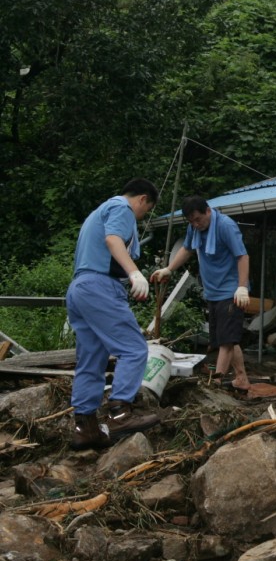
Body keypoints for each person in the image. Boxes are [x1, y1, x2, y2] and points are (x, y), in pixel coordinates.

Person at [66, 178, 162, 450]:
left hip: (79, 288)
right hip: (99, 287)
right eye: (146, 210)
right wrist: (134, 272)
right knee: (133, 349)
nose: (141, 216)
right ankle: (120, 414)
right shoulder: (122, 208)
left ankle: (85, 428)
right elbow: (112, 240)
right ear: (142, 199)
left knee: (91, 359)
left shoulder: (97, 213)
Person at [151, 196, 251, 390]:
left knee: (226, 341)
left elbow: (242, 256)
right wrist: (169, 269)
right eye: (191, 221)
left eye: (198, 219)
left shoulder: (225, 226)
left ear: (207, 211)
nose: (196, 224)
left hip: (231, 290)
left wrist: (242, 286)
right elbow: (187, 249)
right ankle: (241, 379)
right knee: (226, 337)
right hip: (213, 291)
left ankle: (216, 383)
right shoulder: (194, 229)